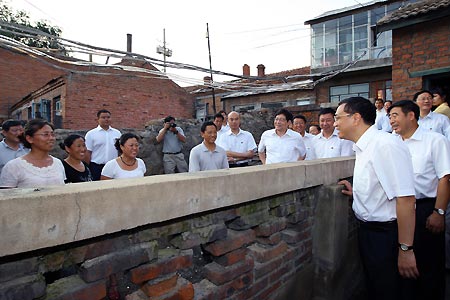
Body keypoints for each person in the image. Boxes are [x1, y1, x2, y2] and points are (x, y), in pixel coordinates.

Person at [335, 97, 418, 300]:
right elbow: (383, 187)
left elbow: (406, 199)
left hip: (386, 236)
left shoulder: (384, 145)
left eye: (338, 118)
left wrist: (406, 250)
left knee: (388, 290)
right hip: (369, 233)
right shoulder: (364, 146)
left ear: (356, 118)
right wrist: (358, 193)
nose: (335, 123)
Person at [388, 100, 450, 300]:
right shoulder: (391, 142)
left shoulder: (435, 140)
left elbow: (445, 177)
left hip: (425, 210)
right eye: (389, 116)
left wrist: (439, 212)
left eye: (395, 115)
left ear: (411, 115)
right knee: (404, 267)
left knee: (429, 265)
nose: (391, 121)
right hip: (398, 211)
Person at [0, 119, 65, 188]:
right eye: (45, 134)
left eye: (52, 134)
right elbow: (7, 196)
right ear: (30, 139)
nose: (51, 138)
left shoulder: (58, 163)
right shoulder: (13, 166)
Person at [84, 109, 121, 180]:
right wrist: (87, 167)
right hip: (96, 166)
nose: (106, 119)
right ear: (98, 119)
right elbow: (88, 152)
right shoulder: (91, 134)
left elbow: (120, 150)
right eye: (103, 117)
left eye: (108, 117)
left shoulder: (117, 133)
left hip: (113, 165)